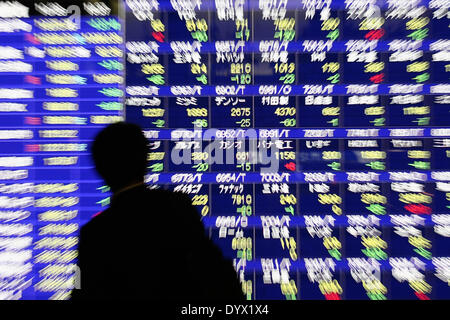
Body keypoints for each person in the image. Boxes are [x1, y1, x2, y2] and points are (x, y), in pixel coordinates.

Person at [70, 122, 245, 300]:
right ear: (147, 159)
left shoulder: (95, 234)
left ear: (99, 169)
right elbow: (214, 271)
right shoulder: (178, 208)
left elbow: (82, 293)